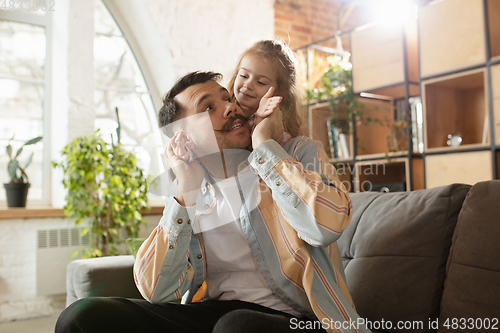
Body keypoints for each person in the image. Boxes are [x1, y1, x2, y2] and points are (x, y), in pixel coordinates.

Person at [55, 71, 369, 333]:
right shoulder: (193, 192)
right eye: (208, 108)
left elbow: (327, 225)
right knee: (82, 317)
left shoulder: (296, 154)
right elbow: (158, 290)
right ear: (184, 139)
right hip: (214, 317)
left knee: (236, 327)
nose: (231, 107)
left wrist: (266, 147)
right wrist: (185, 187)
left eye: (227, 98)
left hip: (301, 321)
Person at [227, 39, 302, 142]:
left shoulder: (277, 128)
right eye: (244, 75)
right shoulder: (223, 110)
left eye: (261, 82)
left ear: (279, 91)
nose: (248, 85)